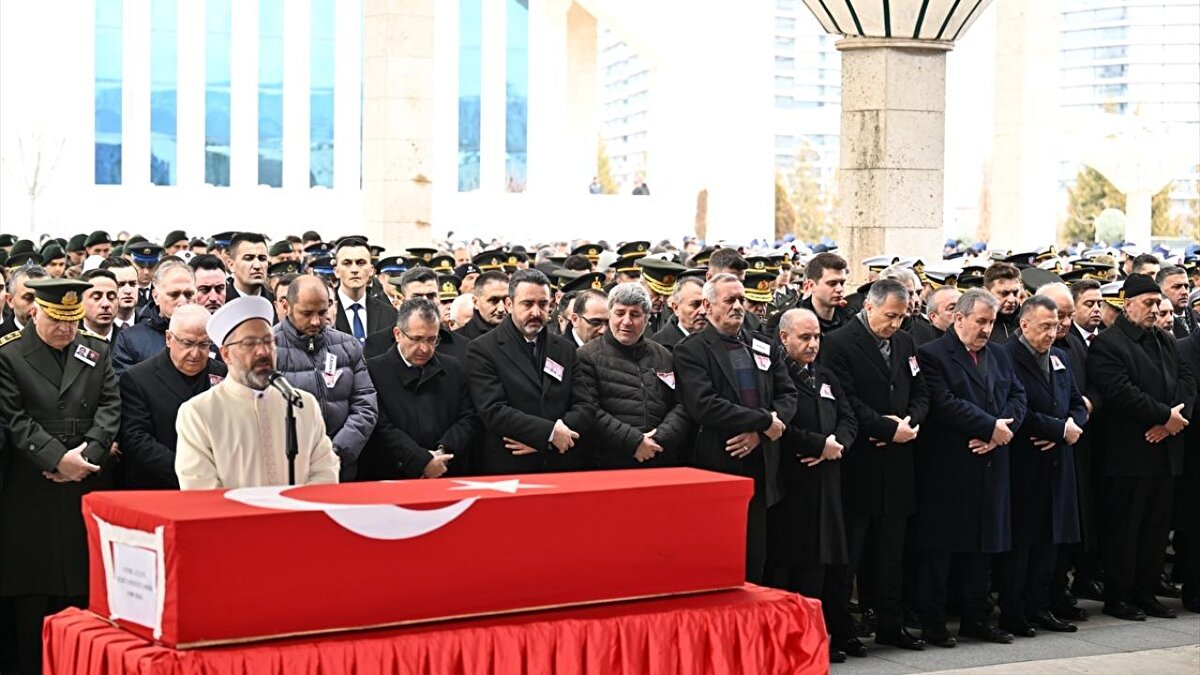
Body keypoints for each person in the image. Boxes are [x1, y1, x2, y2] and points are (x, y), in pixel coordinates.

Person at [0, 278, 120, 675]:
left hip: (85, 479)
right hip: (32, 486)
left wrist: (85, 455)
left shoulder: (95, 350)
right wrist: (56, 459)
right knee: (33, 592)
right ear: (35, 311)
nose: (66, 330)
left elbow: (109, 407)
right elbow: (13, 418)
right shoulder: (10, 355)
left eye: (71, 321)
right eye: (57, 321)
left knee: (84, 588)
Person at [915, 288, 1027, 647]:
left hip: (992, 462)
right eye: (980, 321)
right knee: (941, 551)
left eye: (991, 322)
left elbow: (1017, 396)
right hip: (950, 466)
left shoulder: (998, 353)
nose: (986, 329)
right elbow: (944, 403)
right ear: (959, 318)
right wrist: (989, 427)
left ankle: (976, 619)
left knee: (984, 548)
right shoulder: (932, 355)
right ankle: (933, 622)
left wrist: (1000, 433)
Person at [823, 279, 929, 651]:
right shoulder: (837, 343)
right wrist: (885, 427)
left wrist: (910, 423)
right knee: (849, 555)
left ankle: (890, 623)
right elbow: (845, 399)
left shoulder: (905, 341)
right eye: (889, 316)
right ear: (869, 307)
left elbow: (920, 389)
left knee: (891, 553)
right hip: (861, 463)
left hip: (899, 462)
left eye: (901, 317)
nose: (895, 325)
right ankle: (841, 629)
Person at [673, 273, 797, 584]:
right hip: (719, 463)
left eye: (741, 299)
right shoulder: (691, 350)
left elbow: (788, 394)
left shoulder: (762, 344)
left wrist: (762, 430)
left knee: (756, 556)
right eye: (730, 300)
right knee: (719, 558)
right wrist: (764, 421)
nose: (739, 306)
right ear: (707, 305)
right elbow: (704, 405)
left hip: (761, 464)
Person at [1087, 274, 1194, 621]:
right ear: (1127, 304)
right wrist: (1164, 416)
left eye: (1156, 303)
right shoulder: (1109, 343)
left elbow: (1186, 380)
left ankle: (1146, 592)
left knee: (1155, 530)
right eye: (1147, 304)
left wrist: (1174, 419)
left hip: (1164, 452)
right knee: (1125, 530)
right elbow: (1119, 391)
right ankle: (1120, 596)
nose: (1154, 310)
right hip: (1128, 454)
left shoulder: (1164, 339)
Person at [769, 308, 859, 663]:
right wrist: (816, 445)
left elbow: (849, 416)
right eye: (804, 338)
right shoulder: (777, 376)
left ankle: (815, 640)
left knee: (819, 569)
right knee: (788, 567)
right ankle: (785, 644)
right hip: (793, 482)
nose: (812, 344)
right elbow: (780, 425)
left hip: (828, 479)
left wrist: (837, 445)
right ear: (784, 338)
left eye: (817, 337)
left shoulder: (825, 375)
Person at [175, 296, 340, 489]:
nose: (263, 351)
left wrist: (295, 512)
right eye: (250, 343)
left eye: (268, 341)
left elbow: (325, 471)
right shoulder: (198, 413)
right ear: (226, 354)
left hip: (299, 517)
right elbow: (201, 491)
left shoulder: (302, 404)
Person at [997, 295, 1087, 637]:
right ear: (1024, 324)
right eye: (1045, 326)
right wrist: (1056, 428)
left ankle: (1040, 605)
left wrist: (1068, 429)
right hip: (1024, 461)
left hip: (1058, 461)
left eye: (1056, 325)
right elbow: (1015, 407)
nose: (1053, 332)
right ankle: (1013, 610)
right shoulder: (1006, 356)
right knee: (1022, 544)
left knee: (1050, 542)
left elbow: (1077, 403)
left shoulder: (1061, 357)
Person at [466, 268, 594, 474]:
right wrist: (547, 434)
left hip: (561, 462)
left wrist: (555, 438)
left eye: (543, 304)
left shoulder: (564, 348)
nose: (536, 312)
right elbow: (493, 410)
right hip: (511, 467)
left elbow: (585, 404)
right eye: (527, 304)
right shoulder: (483, 349)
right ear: (509, 304)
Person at [1037, 282, 1101, 618]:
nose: (1062, 323)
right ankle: (1039, 598)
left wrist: (1084, 409)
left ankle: (1059, 591)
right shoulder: (1023, 350)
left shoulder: (1072, 347)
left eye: (1066, 315)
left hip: (1074, 446)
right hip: (1043, 448)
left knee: (1067, 527)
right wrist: (1058, 429)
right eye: (1056, 315)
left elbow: (1086, 392)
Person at [274, 275, 377, 482]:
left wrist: (335, 451)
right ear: (286, 306)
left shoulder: (348, 346)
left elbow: (365, 405)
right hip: (289, 470)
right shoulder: (266, 349)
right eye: (306, 313)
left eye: (322, 313)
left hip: (343, 467)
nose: (315, 321)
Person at [361, 298, 478, 479]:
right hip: (393, 476)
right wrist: (421, 461)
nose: (424, 348)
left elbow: (468, 417)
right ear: (398, 333)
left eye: (432, 340)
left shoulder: (453, 368)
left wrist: (442, 452)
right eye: (416, 339)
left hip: (447, 471)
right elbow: (379, 426)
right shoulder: (373, 370)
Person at [577, 283, 689, 469]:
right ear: (610, 315)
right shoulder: (585, 356)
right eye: (620, 313)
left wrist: (659, 439)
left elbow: (681, 404)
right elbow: (589, 411)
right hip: (608, 463)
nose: (627, 321)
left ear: (646, 319)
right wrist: (635, 442)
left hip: (660, 458)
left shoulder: (663, 355)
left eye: (635, 315)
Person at [117, 305, 227, 489]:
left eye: (204, 344)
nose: (195, 353)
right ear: (169, 338)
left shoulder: (221, 373)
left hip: (215, 481)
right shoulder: (138, 378)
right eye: (187, 343)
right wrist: (188, 471)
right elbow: (136, 438)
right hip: (160, 483)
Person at [112, 259, 197, 377]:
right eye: (174, 294)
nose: (182, 301)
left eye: (189, 294)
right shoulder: (130, 340)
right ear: (156, 296)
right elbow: (126, 388)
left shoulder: (211, 336)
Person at [364, 267, 467, 361]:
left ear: (439, 299)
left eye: (431, 296)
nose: (425, 302)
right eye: (417, 297)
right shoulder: (378, 344)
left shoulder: (462, 345)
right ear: (403, 301)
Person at [769, 252, 853, 336]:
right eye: (832, 283)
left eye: (841, 283)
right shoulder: (785, 321)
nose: (839, 289)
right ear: (810, 285)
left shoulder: (850, 319)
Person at [332, 237, 396, 343]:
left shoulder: (389, 313)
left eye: (361, 263)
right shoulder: (323, 311)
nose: (354, 270)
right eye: (347, 263)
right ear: (336, 271)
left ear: (371, 270)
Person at [652, 276, 706, 349]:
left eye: (706, 305)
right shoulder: (658, 347)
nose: (703, 311)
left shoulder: (719, 339)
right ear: (676, 308)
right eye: (695, 305)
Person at [455, 270, 509, 340]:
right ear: (475, 302)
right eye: (493, 300)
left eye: (506, 300)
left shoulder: (522, 335)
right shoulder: (458, 340)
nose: (501, 309)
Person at [1, 265, 49, 338]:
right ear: (10, 300)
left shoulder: (64, 335)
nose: (37, 306)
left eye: (44, 298)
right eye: (28, 298)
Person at [224, 232, 273, 301]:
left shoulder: (276, 302)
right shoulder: (220, 302)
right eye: (248, 258)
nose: (257, 266)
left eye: (262, 259)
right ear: (231, 265)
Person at [79, 269, 121, 343]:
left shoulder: (129, 340)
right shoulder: (69, 340)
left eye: (111, 297)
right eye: (96, 297)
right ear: (80, 301)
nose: (105, 304)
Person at [984, 262, 1023, 343]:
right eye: (1004, 293)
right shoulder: (976, 326)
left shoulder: (1030, 321)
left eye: (1015, 292)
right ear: (986, 292)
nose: (1011, 299)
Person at [99, 257, 139, 329]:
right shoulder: (92, 326)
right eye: (120, 285)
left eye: (132, 284)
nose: (128, 291)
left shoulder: (151, 322)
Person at [1156, 266, 1195, 338]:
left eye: (1186, 286)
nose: (1184, 292)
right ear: (1160, 290)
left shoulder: (1195, 314)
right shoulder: (1155, 323)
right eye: (1177, 287)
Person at [1070, 279, 1103, 347]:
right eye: (1089, 304)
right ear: (1073, 307)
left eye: (1099, 304)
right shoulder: (1064, 340)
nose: (1097, 309)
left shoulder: (1109, 339)